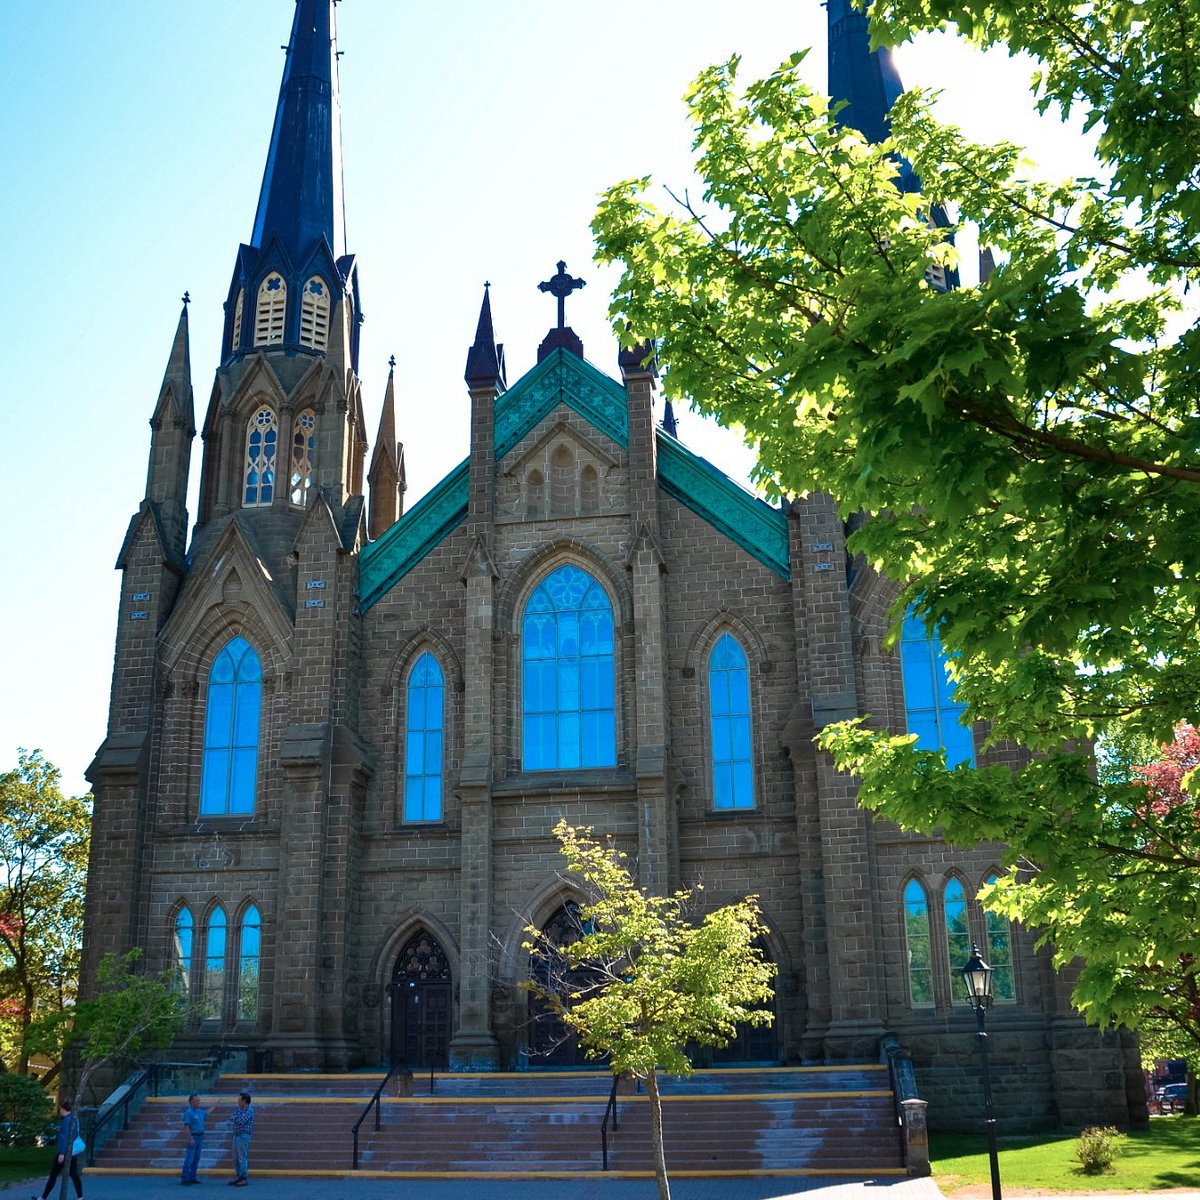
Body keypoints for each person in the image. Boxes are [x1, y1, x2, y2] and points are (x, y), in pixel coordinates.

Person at [35, 1099, 83, 1200]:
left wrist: (61, 1153)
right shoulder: (75, 1119)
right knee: (74, 1175)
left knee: (54, 1175)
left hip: (63, 1152)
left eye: (60, 1109)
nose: (60, 1111)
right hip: (72, 1152)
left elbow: (64, 1138)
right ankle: (80, 1197)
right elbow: (72, 1134)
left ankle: (43, 1197)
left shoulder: (66, 1120)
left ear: (63, 1109)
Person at [227, 1092, 254, 1187]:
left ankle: (243, 1178)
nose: (238, 1101)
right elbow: (231, 1118)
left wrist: (236, 1118)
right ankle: (238, 1176)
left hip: (243, 1136)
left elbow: (241, 1121)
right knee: (236, 1158)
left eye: (239, 1100)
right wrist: (236, 1118)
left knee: (242, 1157)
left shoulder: (250, 1110)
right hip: (236, 1135)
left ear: (244, 1101)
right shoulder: (239, 1110)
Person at [181, 1093, 207, 1185]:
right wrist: (190, 1138)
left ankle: (193, 1177)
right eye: (196, 1100)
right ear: (191, 1102)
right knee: (189, 1158)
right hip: (194, 1136)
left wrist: (216, 1105)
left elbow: (207, 1113)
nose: (198, 1102)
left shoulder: (199, 1111)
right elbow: (186, 1126)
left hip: (200, 1137)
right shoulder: (188, 1113)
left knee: (196, 1158)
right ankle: (185, 1178)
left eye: (199, 1100)